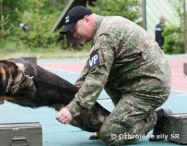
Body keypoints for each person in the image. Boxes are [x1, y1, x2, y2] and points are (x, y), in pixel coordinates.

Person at [56, 6, 171, 146]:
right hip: (136, 82)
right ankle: (134, 117)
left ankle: (154, 119)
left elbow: (96, 80)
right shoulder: (105, 28)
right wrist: (68, 97)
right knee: (107, 77)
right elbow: (89, 71)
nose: (74, 35)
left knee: (110, 135)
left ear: (86, 19)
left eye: (75, 29)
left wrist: (72, 109)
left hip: (150, 88)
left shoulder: (105, 37)